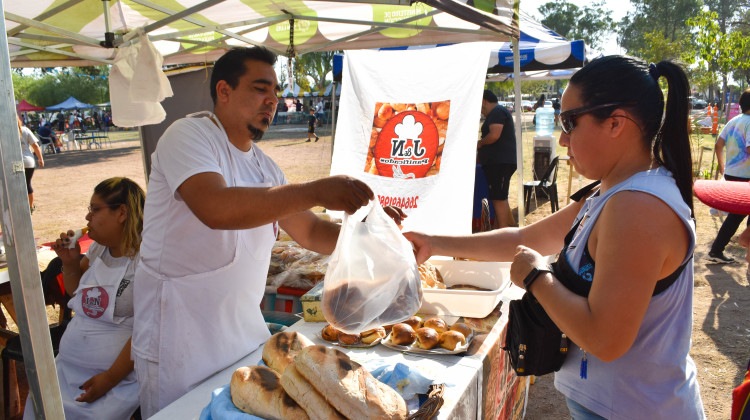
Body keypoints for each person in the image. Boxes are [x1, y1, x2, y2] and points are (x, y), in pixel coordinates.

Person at [406, 56, 705, 419]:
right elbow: (524, 236)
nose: (563, 139)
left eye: (569, 122)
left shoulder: (638, 207)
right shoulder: (615, 191)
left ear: (615, 123)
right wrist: (435, 244)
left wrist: (536, 277)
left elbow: (605, 339)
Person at [132, 46, 378, 417]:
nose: (272, 101)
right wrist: (316, 189)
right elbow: (215, 207)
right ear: (224, 91)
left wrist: (370, 234)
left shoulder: (265, 168)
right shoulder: (187, 136)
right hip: (178, 341)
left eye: (276, 93)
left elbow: (309, 230)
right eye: (261, 88)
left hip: (242, 338)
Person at [23, 177, 145, 420]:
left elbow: (146, 329)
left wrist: (109, 379)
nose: (88, 218)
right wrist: (69, 263)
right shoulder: (99, 249)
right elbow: (78, 293)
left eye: (95, 209)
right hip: (66, 371)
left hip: (114, 382)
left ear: (121, 212)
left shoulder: (146, 259)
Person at [706, 89, 750, 263]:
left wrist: (722, 166)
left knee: (738, 213)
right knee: (737, 215)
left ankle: (721, 251)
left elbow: (718, 144)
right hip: (745, 176)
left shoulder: (733, 121)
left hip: (732, 174)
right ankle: (717, 251)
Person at [477, 90, 516, 229]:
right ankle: (499, 228)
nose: (480, 111)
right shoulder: (497, 112)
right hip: (497, 162)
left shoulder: (497, 112)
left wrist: (480, 143)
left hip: (500, 162)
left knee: (499, 198)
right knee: (497, 197)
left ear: (484, 101)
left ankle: (503, 231)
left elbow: (494, 135)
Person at [17, 115, 44, 213]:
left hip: (14, 161)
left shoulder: (6, 131)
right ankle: (30, 206)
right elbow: (35, 145)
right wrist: (40, 159)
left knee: (16, 185)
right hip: (28, 161)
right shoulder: (25, 130)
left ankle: (17, 205)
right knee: (27, 183)